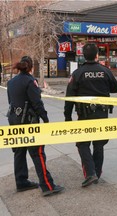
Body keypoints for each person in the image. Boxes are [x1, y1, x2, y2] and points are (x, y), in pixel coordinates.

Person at [64, 43, 117, 187]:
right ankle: (96, 172)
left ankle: (91, 173)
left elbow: (69, 96)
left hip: (84, 115)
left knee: (82, 144)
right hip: (102, 114)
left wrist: (67, 116)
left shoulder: (78, 73)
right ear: (97, 55)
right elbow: (115, 88)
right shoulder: (105, 71)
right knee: (99, 144)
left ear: (83, 55)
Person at [7, 56, 64, 196]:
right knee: (37, 153)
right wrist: (45, 118)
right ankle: (47, 185)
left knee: (19, 152)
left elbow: (11, 101)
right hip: (28, 121)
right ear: (31, 67)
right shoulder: (30, 81)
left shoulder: (11, 82)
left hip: (14, 120)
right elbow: (37, 103)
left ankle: (21, 181)